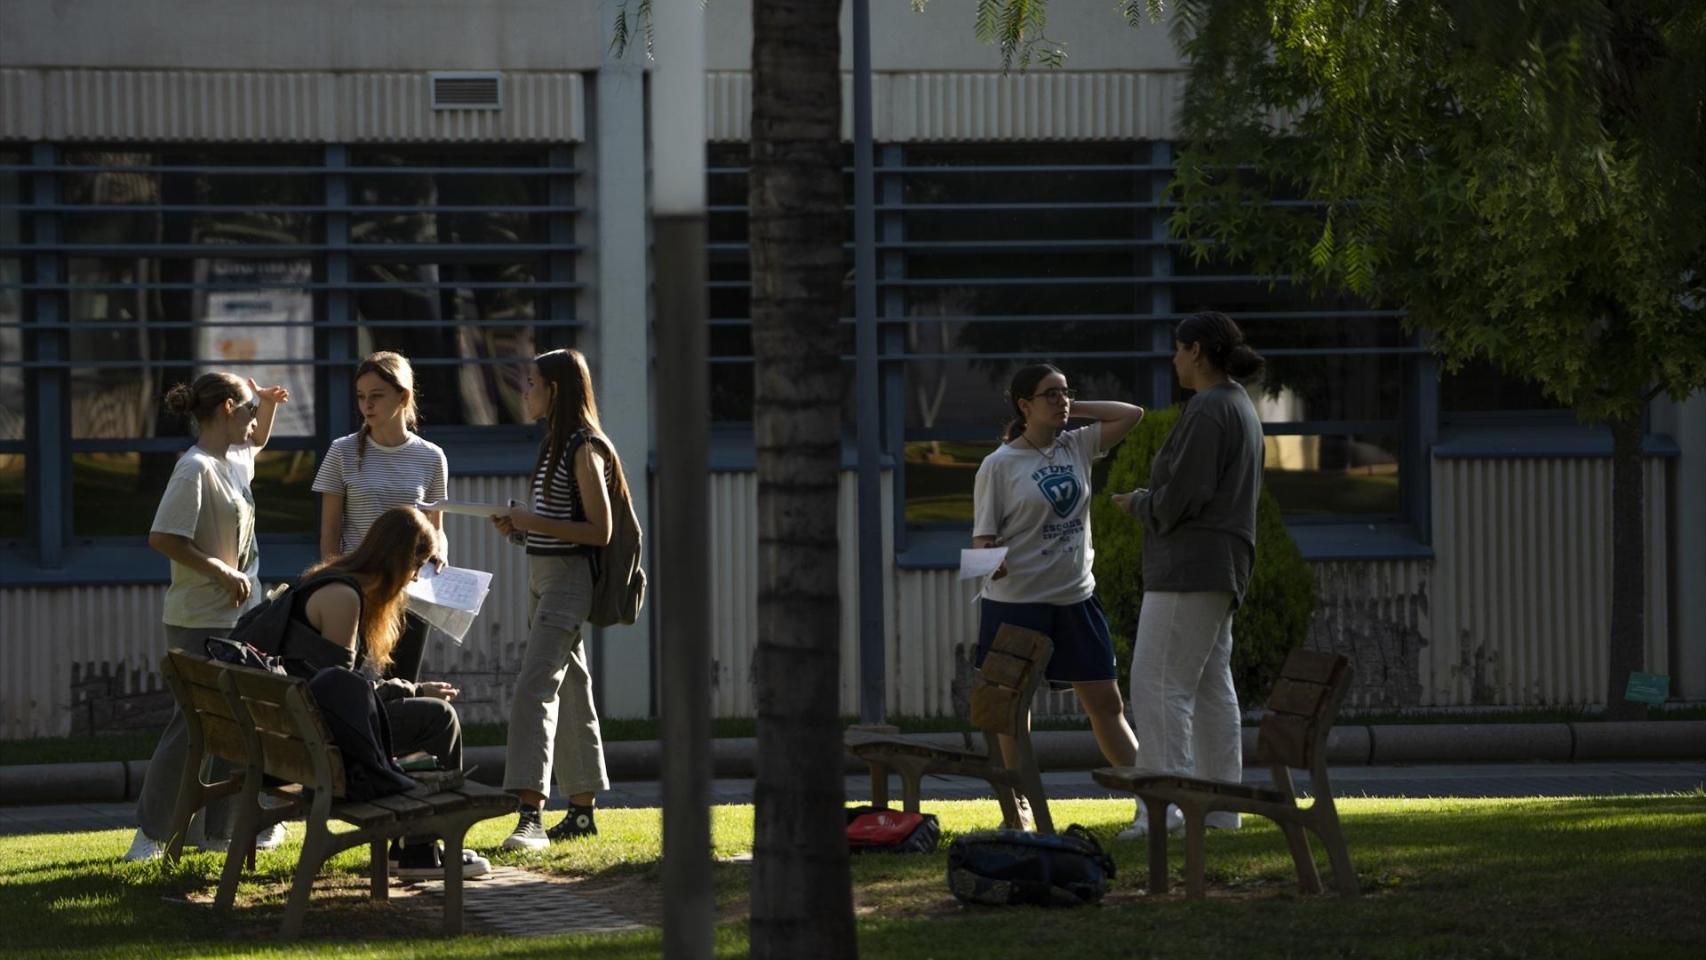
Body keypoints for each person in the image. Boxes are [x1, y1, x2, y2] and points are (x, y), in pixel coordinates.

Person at [1111, 310, 1266, 838]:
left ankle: (1162, 810)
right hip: (1221, 566)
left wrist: (1140, 504)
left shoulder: (1209, 408)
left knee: (1156, 685)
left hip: (1189, 568)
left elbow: (1186, 493)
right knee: (1207, 687)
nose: (1175, 358)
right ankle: (1221, 810)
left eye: (1179, 349)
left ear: (1197, 350)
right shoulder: (1238, 405)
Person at [972, 363, 1146, 825]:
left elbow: (1132, 414)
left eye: (1066, 392)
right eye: (1050, 395)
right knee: (1011, 712)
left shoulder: (1077, 444)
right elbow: (983, 537)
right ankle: (1020, 807)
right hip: (1016, 602)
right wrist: (993, 556)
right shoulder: (999, 465)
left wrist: (1071, 409)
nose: (1062, 401)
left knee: (1107, 705)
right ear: (1023, 406)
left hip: (1076, 598)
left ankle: (1151, 802)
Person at [126, 373, 290, 861]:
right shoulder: (194, 468)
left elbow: (258, 438)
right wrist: (219, 568)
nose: (254, 420)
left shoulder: (234, 458)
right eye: (247, 410)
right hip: (199, 619)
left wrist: (267, 403)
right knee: (192, 725)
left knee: (237, 726)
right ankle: (151, 834)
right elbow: (163, 537)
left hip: (239, 617)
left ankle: (223, 832)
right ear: (224, 409)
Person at [279, 505, 490, 879]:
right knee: (437, 717)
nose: (412, 581)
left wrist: (408, 690)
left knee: (421, 709)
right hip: (317, 743)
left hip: (297, 734)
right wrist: (410, 690)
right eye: (414, 570)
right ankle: (420, 851)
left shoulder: (328, 578)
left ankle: (418, 843)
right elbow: (341, 698)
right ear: (399, 562)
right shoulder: (343, 598)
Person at [491, 348, 623, 850]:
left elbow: (600, 530)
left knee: (533, 688)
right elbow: (558, 527)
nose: (524, 392)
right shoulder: (553, 445)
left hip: (567, 583)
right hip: (542, 575)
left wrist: (531, 521)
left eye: (531, 384)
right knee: (571, 689)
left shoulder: (584, 448)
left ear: (556, 391)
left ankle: (529, 815)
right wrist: (520, 530)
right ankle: (583, 810)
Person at [311, 351, 448, 682]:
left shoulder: (431, 457)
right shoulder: (341, 451)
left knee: (401, 688)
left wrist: (440, 552)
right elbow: (329, 532)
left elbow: (436, 528)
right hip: (357, 587)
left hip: (409, 591)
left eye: (376, 396)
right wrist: (335, 583)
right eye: (361, 397)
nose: (366, 406)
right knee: (351, 687)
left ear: (403, 397)